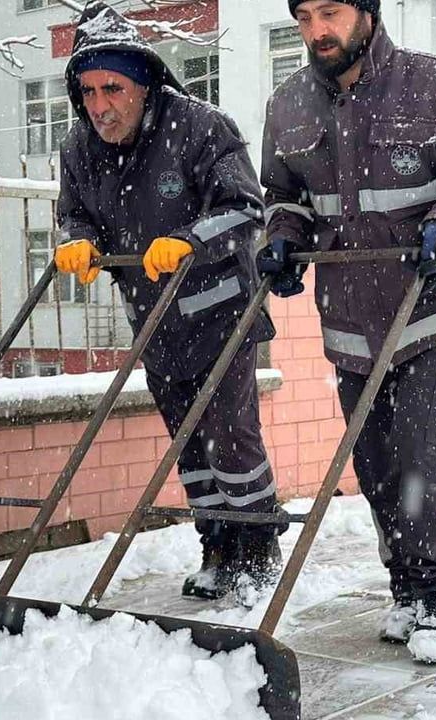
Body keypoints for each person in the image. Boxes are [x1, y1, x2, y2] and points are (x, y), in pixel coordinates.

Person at [257, 0, 436, 662]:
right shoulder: (288, 105)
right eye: (304, 17)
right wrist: (282, 238)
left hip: (434, 300)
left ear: (365, 11)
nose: (317, 31)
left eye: (330, 12)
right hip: (350, 313)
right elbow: (284, 197)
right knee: (374, 461)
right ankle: (406, 588)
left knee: (422, 450)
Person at [54, 2, 284, 603]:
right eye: (88, 91)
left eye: (112, 88)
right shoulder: (79, 147)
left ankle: (258, 549)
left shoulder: (201, 127)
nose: (99, 105)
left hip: (220, 313)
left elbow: (245, 209)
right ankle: (218, 548)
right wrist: (77, 240)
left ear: (144, 83)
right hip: (153, 319)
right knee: (188, 443)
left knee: (230, 437)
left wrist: (189, 241)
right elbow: (74, 213)